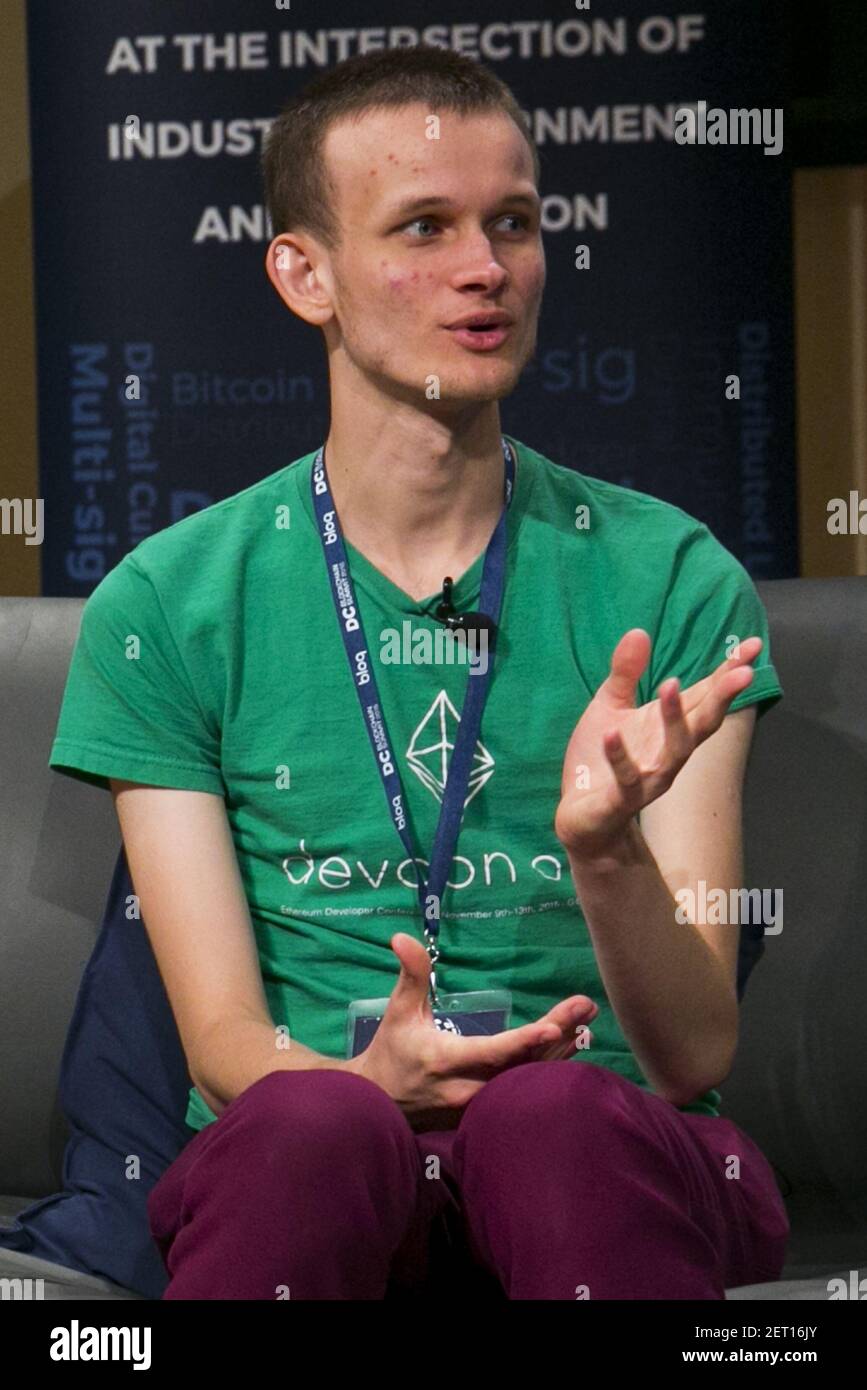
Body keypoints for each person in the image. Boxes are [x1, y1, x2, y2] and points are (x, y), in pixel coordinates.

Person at [48, 44, 790, 1300]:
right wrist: (364, 1085)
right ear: (305, 273)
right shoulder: (168, 604)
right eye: (425, 226)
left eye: (513, 222)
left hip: (607, 1158)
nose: (487, 267)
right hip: (318, 1152)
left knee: (551, 1120)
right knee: (308, 1132)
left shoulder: (672, 580)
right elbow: (227, 1044)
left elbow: (689, 1053)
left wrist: (605, 852)